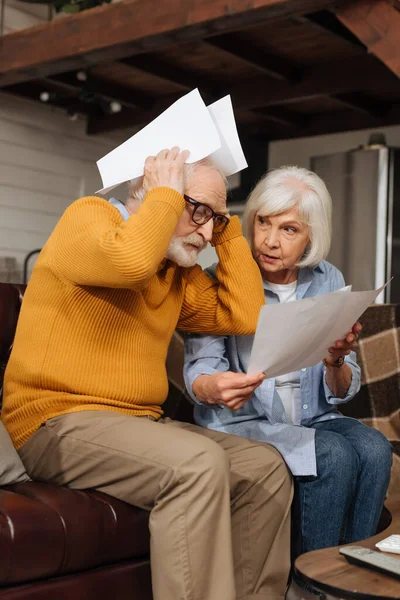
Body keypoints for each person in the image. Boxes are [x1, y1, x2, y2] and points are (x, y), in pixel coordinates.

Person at [2, 148, 293, 600]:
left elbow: (246, 314)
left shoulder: (177, 271)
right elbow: (130, 262)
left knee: (264, 467)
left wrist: (224, 227)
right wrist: (163, 194)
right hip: (53, 422)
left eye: (213, 219)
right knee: (197, 465)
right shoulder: (90, 218)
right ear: (156, 190)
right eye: (195, 209)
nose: (204, 228)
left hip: (134, 425)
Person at [184, 165, 393, 560]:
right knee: (333, 454)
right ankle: (310, 582)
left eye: (289, 230)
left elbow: (339, 392)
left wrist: (335, 361)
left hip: (312, 419)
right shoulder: (220, 278)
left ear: (312, 235)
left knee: (376, 447)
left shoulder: (328, 279)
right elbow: (201, 370)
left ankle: (349, 574)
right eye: (263, 222)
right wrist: (213, 387)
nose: (270, 241)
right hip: (244, 423)